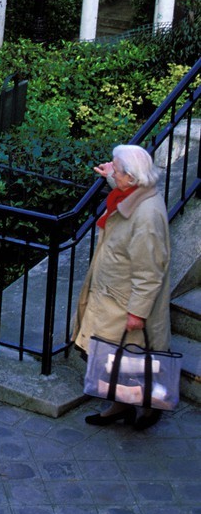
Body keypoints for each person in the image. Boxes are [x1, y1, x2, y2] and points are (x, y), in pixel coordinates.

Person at [74, 144, 171, 432]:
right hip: (111, 296)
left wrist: (137, 312)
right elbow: (121, 182)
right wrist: (110, 174)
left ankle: (149, 406)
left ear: (131, 177)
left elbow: (150, 271)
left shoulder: (147, 215)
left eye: (116, 169)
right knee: (110, 358)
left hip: (124, 302)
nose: (112, 173)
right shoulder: (133, 192)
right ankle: (121, 405)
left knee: (129, 359)